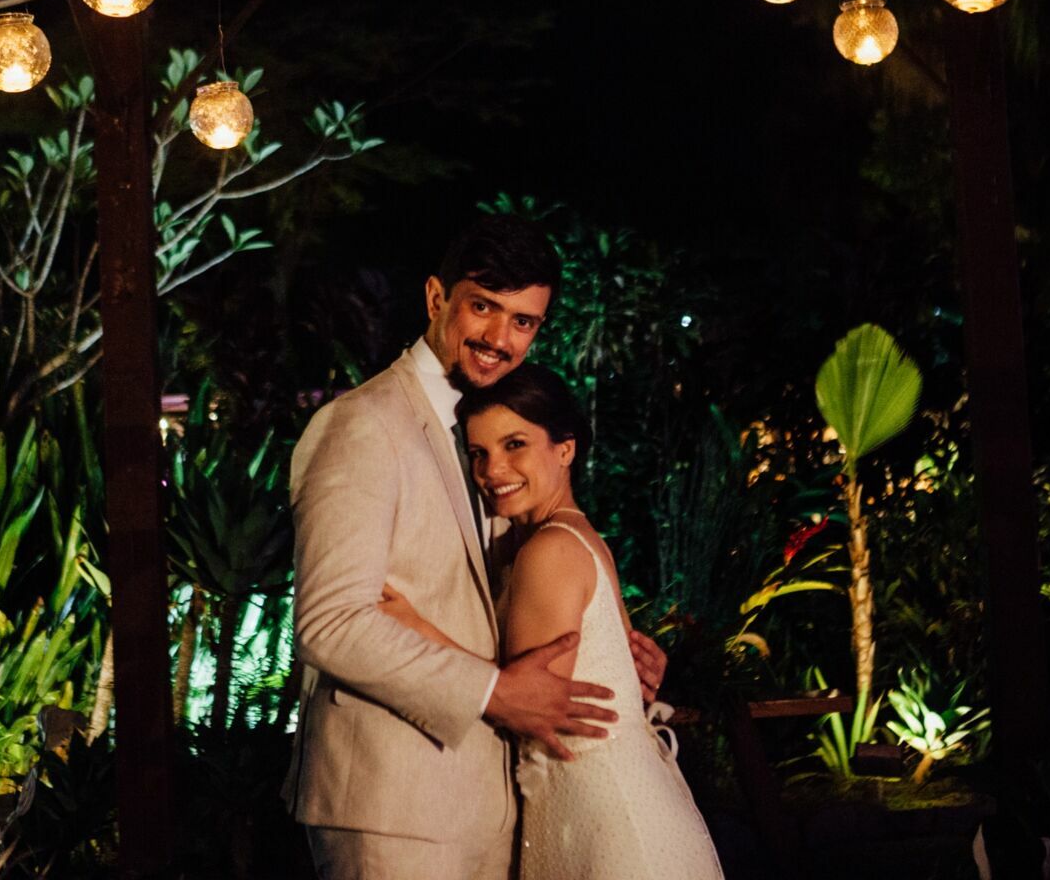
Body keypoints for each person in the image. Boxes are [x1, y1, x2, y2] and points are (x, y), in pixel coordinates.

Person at [286, 214, 668, 880]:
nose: (499, 338)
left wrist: (607, 657)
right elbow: (331, 622)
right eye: (483, 307)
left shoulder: (489, 435)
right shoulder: (360, 426)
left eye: (523, 321)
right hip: (390, 804)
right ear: (437, 298)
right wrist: (493, 691)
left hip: (496, 804)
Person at [385, 363, 725, 879]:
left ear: (565, 449)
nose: (492, 470)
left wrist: (414, 627)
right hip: (597, 804)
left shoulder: (550, 550)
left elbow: (534, 704)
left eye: (514, 445)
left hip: (603, 817)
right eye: (479, 453)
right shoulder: (574, 537)